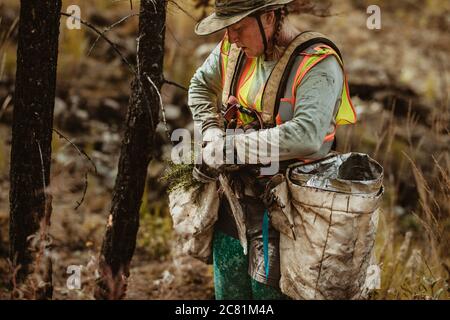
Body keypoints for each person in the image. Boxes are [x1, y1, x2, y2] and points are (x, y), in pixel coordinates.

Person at [188, 0, 356, 300]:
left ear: (268, 17)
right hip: (234, 199)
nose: (231, 37)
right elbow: (200, 85)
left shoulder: (317, 62)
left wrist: (229, 147)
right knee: (229, 293)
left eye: (238, 27)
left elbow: (306, 135)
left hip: (291, 209)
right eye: (228, 28)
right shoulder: (233, 49)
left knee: (271, 294)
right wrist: (211, 129)